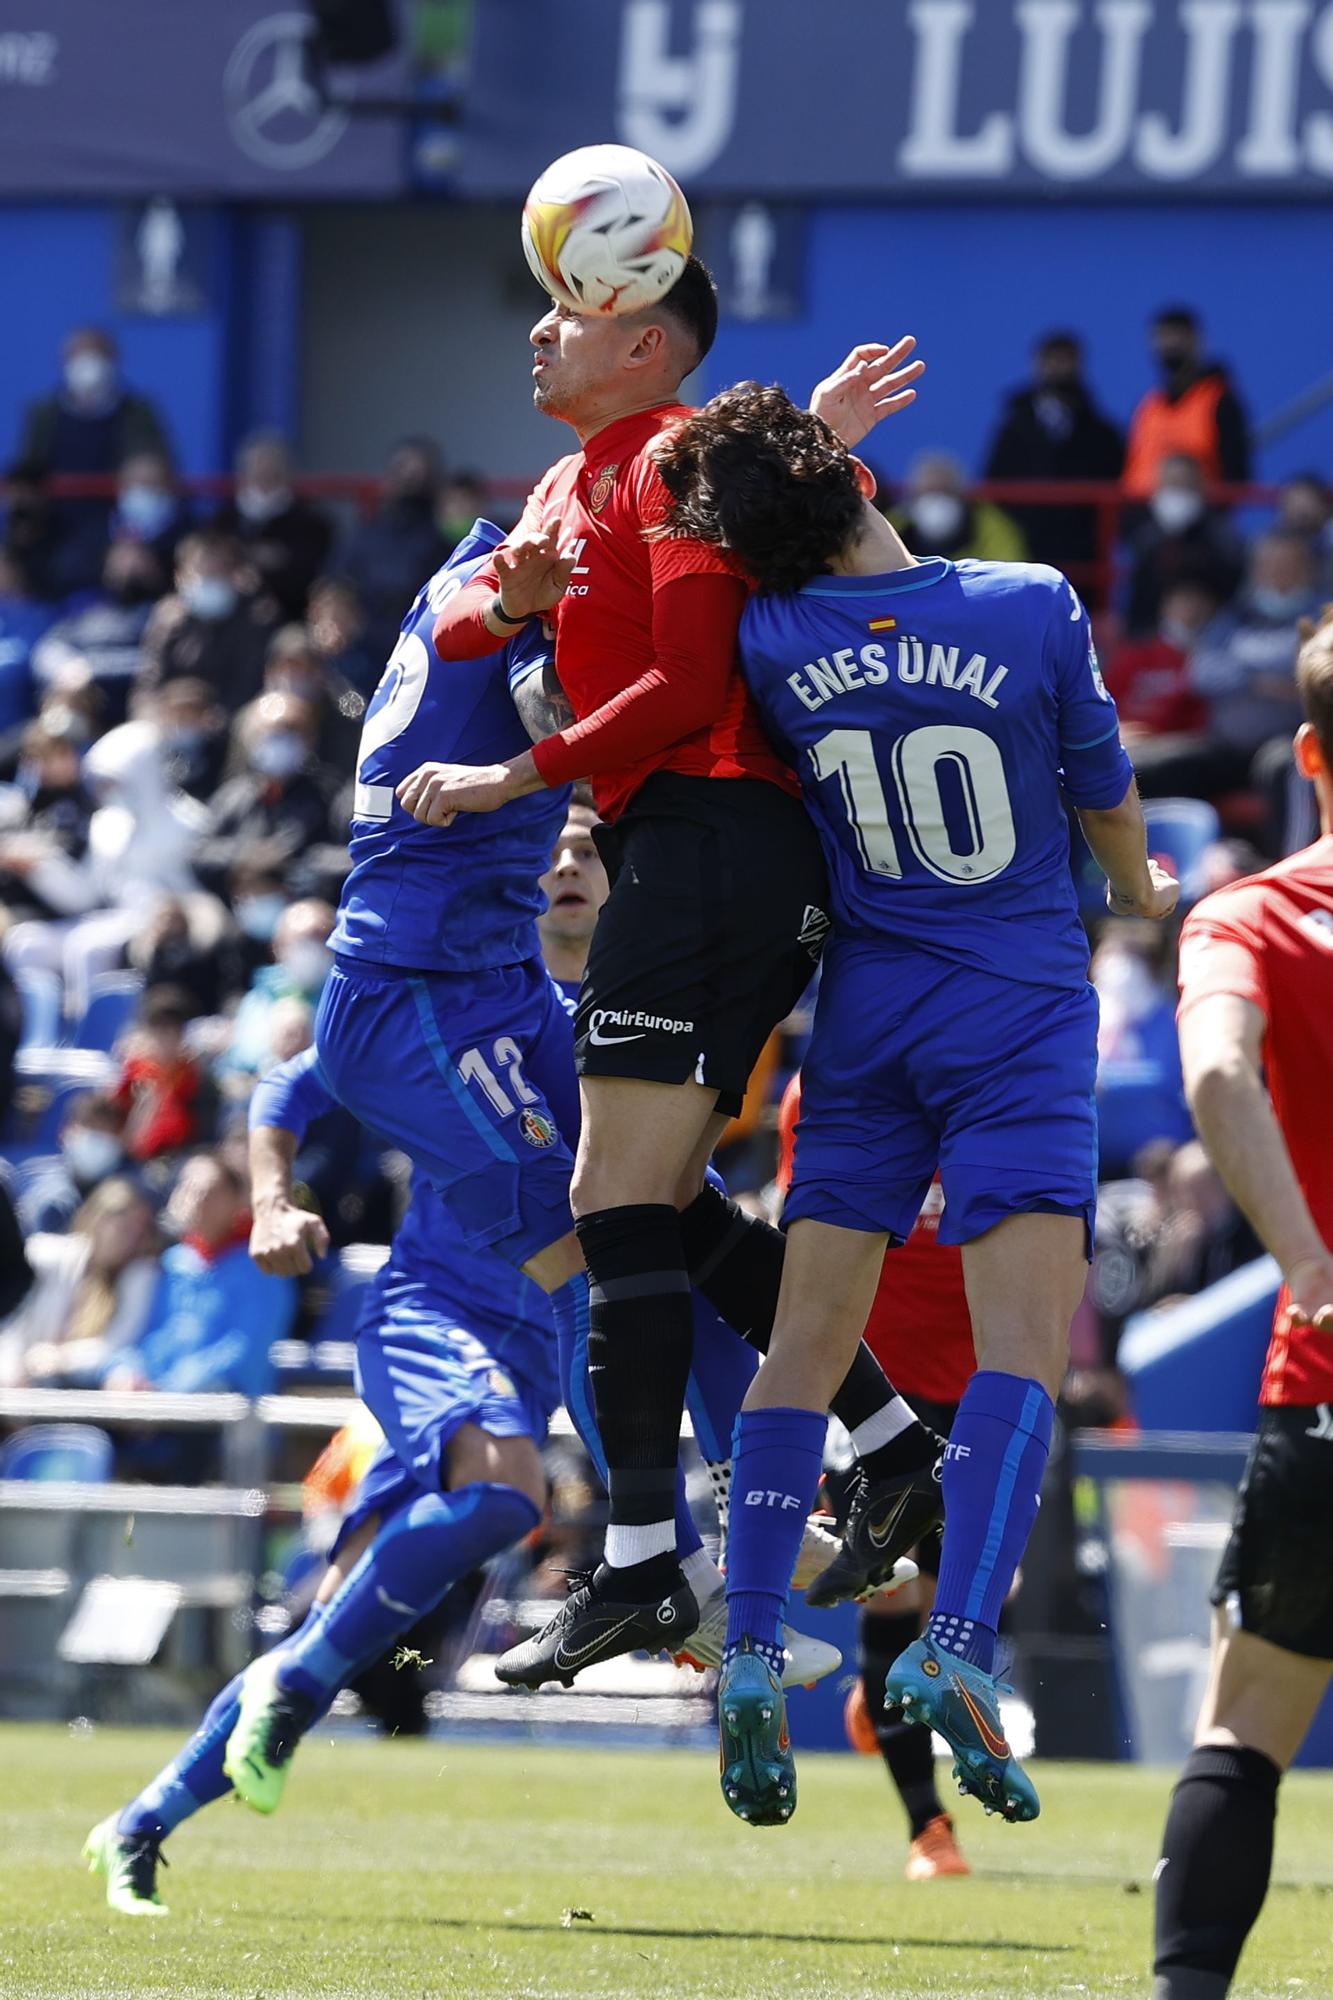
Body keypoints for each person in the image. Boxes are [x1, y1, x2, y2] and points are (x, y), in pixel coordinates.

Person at [80, 816, 834, 1918]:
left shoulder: (648, 1016)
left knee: (367, 1604)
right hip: (441, 1309)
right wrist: (275, 1195)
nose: (568, 863)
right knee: (503, 1493)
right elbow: (293, 1086)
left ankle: (143, 1818)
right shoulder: (465, 991)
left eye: (590, 849)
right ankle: (691, 1570)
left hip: (553, 1337)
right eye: (553, 846)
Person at [398, 267, 940, 1685]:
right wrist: (502, 606)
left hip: (713, 845)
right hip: (685, 858)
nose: (534, 327)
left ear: (643, 342)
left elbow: (695, 684)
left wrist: (516, 769)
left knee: (608, 1204)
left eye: (567, 313)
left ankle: (641, 1558)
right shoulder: (573, 479)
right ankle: (886, 1450)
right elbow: (462, 623)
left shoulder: (670, 458)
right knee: (664, 1206)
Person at [652, 380, 1178, 1827]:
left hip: (865, 1020)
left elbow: (723, 557)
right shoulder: (1029, 602)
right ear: (854, 477)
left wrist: (789, 461)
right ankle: (957, 1643)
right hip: (1014, 1013)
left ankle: (751, 1645)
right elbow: (1108, 804)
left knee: (805, 1349)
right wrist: (1141, 894)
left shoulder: (765, 637)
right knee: (1025, 1354)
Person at [1151, 611, 1333, 2000]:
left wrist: (1304, 1255)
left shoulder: (1251, 914)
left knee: (1246, 1728)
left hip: (1323, 1376)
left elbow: (1215, 1077)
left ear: (1310, 756)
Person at [777, 1077, 976, 1881]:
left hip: (976, 1385)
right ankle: (927, 1827)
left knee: (959, 1603)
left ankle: (880, 1694)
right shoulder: (819, 1091)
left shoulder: (991, 1081)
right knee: (891, 1591)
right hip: (869, 1391)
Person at [100, 1150, 295, 1397]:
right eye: (188, 1188)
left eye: (209, 1191)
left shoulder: (264, 1270)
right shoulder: (173, 1264)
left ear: (238, 1201)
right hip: (146, 1404)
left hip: (217, 1412)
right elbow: (138, 1336)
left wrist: (168, 1393)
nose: (196, 1199)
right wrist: (124, 1371)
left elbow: (243, 1353)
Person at [16, 328, 173, 596]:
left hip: (120, 525)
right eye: (80, 354)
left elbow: (158, 468)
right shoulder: (43, 414)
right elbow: (27, 473)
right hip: (56, 525)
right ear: (64, 361)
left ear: (114, 360)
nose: (89, 363)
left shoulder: (138, 411)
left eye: (97, 354)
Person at [982, 331, 1123, 590]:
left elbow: (1115, 485)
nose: (1059, 369)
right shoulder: (1013, 428)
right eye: (1052, 361)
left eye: (1066, 361)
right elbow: (993, 485)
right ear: (1038, 364)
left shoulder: (1101, 432)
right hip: (1023, 551)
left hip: (1081, 553)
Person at [0, 1178, 158, 1388]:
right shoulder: (46, 1255)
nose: (131, 1237)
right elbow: (13, 1324)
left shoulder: (140, 1275)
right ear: (97, 1218)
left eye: (140, 1230)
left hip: (87, 1388)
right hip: (19, 1378)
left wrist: (60, 1358)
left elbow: (118, 1344)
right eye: (123, 1224)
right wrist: (12, 1369)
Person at [30, 537, 167, 726]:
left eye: (137, 559)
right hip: (78, 710)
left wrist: (92, 668)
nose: (128, 567)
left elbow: (156, 661)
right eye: (120, 559)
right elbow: (48, 647)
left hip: (136, 714)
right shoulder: (90, 613)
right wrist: (66, 667)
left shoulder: (164, 614)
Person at [139, 530, 278, 714]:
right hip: (171, 723)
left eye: (217, 571)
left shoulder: (257, 619)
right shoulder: (167, 620)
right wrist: (159, 717)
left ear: (235, 575)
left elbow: (250, 685)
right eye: (202, 572)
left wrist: (212, 720)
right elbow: (147, 685)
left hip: (233, 724)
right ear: (180, 576)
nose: (209, 579)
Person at [1123, 307, 1251, 501]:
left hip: (1200, 519)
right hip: (1140, 518)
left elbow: (1236, 473)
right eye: (1162, 337)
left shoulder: (1219, 400)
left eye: (1177, 336)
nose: (1170, 344)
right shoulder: (1148, 405)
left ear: (1197, 341)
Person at [340, 438, 449, 659]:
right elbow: (339, 583)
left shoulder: (444, 538)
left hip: (422, 647)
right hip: (365, 647)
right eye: (403, 470)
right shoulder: (367, 533)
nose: (410, 477)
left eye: (420, 473)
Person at [214, 433, 333, 622]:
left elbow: (313, 576)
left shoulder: (312, 523)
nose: (264, 473)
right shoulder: (222, 521)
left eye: (272, 469)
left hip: (290, 618)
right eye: (257, 467)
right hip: (224, 618)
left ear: (287, 472)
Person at [1124, 454, 1245, 637]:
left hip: (1213, 632)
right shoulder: (1141, 531)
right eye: (1172, 482)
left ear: (1200, 485)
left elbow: (1231, 585)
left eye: (1184, 483)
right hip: (1148, 631)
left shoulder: (1219, 532)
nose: (1178, 490)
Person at [889, 452, 1026, 565]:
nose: (936, 503)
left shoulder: (991, 526)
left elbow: (1006, 570)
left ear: (960, 493)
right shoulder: (893, 527)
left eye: (944, 492)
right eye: (928, 493)